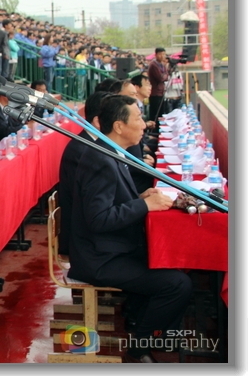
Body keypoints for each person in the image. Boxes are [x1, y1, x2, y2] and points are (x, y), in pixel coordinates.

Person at [68, 95, 192, 364]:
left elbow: (111, 201)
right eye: (137, 118)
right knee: (178, 285)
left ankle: (145, 325)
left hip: (114, 246)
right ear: (119, 126)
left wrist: (139, 197)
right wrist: (144, 205)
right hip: (100, 258)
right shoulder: (100, 159)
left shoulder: (112, 151)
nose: (144, 125)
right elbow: (98, 219)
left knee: (172, 263)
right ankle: (138, 349)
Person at [57, 90, 110, 256]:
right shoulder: (82, 151)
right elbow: (90, 206)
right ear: (98, 121)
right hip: (83, 239)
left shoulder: (95, 145)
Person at [147, 48, 169, 129]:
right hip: (155, 93)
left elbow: (166, 76)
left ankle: (160, 129)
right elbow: (160, 78)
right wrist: (164, 76)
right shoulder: (153, 65)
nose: (162, 56)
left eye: (164, 54)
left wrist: (164, 76)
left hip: (161, 92)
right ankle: (154, 130)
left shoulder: (162, 64)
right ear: (156, 55)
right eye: (160, 54)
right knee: (155, 114)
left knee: (161, 114)